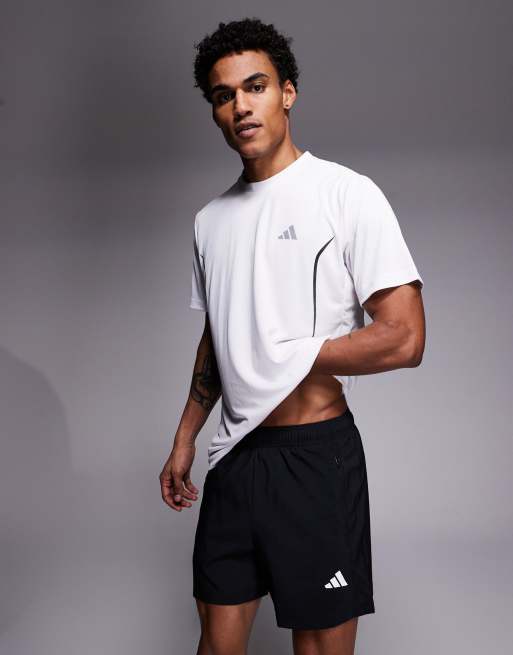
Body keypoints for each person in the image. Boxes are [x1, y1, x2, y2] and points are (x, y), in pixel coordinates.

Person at [159, 17, 425, 655]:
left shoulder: (345, 194)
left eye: (255, 87)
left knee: (320, 648)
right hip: (234, 459)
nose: (240, 106)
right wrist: (185, 438)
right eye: (224, 95)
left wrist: (297, 353)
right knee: (216, 645)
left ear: (287, 92)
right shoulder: (208, 221)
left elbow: (405, 338)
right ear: (215, 112)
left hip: (315, 459)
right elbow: (218, 336)